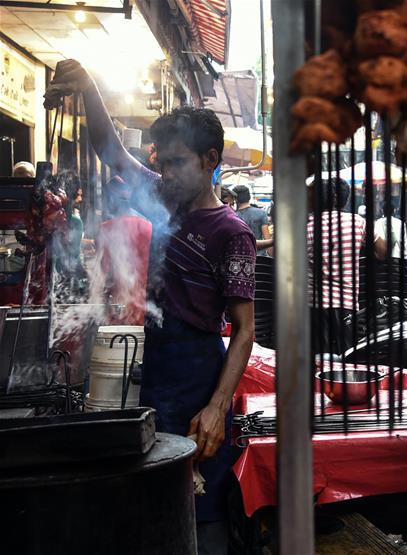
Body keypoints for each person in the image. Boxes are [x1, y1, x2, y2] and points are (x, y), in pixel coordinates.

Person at [45, 59, 256, 553]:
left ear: (210, 159)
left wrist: (217, 407)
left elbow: (243, 329)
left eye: (177, 163)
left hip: (197, 371)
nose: (165, 173)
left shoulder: (232, 233)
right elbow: (111, 151)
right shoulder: (164, 199)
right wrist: (89, 86)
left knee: (196, 497)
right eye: (161, 162)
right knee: (147, 489)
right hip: (152, 361)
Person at [307, 178, 366, 355]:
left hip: (314, 302)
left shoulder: (307, 225)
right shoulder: (357, 222)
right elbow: (382, 250)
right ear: (345, 199)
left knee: (319, 355)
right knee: (347, 354)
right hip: (347, 300)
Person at [95, 176, 152, 325]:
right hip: (144, 307)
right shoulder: (148, 226)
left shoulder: (106, 228)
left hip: (117, 309)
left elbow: (102, 274)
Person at [233, 184, 272, 256]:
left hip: (241, 257)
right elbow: (267, 239)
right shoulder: (261, 213)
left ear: (236, 199)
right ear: (249, 197)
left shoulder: (232, 216)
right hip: (260, 259)